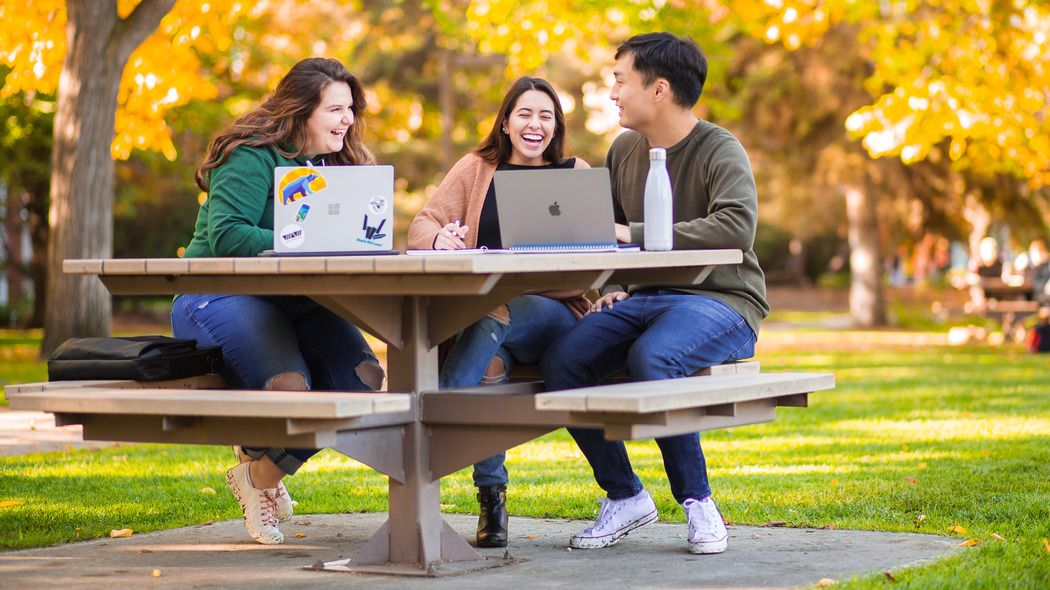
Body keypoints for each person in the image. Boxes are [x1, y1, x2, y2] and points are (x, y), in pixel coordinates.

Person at [540, 33, 769, 555]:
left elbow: (735, 228)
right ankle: (625, 496)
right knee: (564, 361)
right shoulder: (623, 149)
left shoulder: (719, 148)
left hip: (723, 301)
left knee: (654, 357)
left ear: (659, 88)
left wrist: (634, 234)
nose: (613, 93)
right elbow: (609, 235)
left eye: (620, 81)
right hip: (643, 298)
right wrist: (616, 285)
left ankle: (697, 502)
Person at [170, 57, 385, 545]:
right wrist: (306, 237)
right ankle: (260, 466)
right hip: (218, 292)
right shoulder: (252, 153)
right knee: (292, 390)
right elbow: (227, 235)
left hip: (297, 299)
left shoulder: (340, 166)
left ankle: (258, 475)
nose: (347, 119)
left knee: (364, 385)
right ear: (303, 109)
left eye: (350, 108)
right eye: (335, 108)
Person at [407, 76, 591, 547]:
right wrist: (438, 238)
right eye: (525, 114)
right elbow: (423, 222)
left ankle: (432, 422)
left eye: (546, 116)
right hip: (487, 323)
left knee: (495, 308)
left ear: (556, 126)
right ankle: (493, 502)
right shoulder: (476, 167)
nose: (535, 124)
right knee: (487, 369)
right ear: (506, 122)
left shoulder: (574, 174)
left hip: (553, 314)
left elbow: (591, 262)